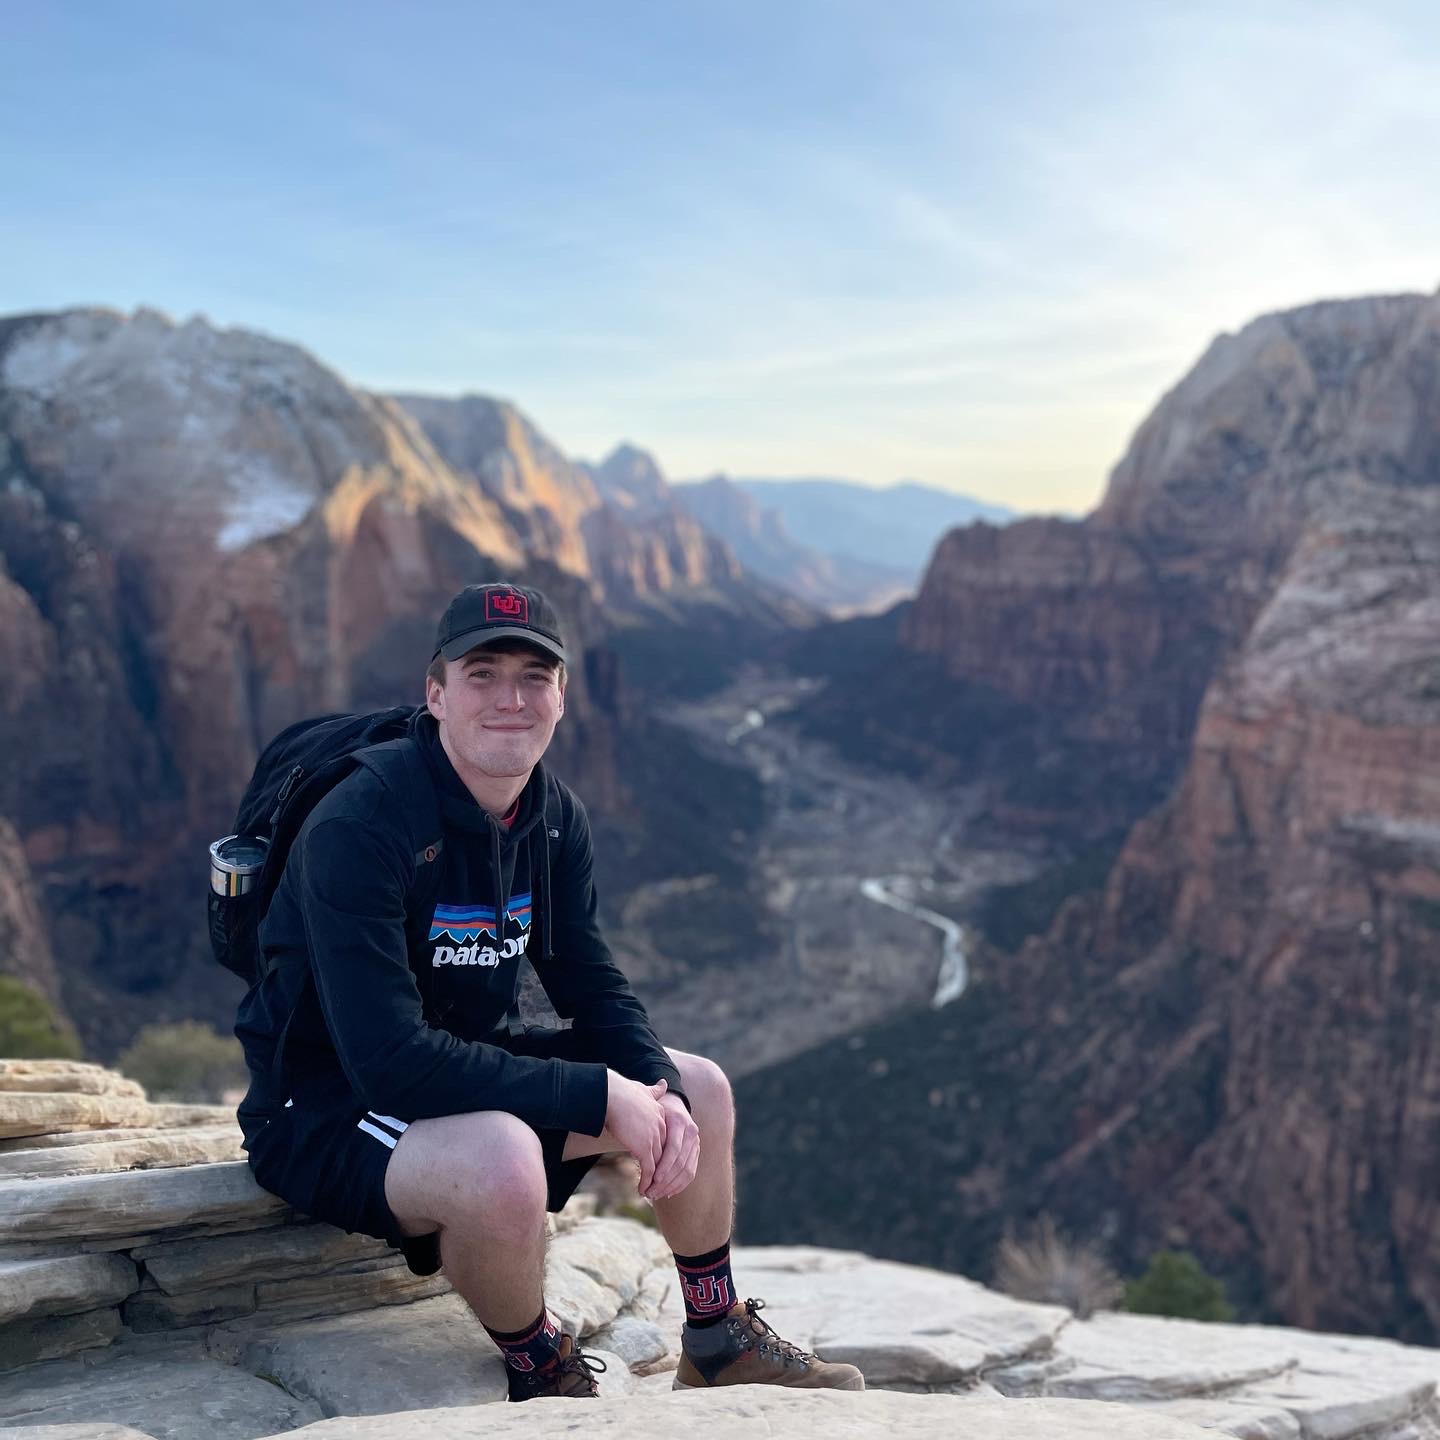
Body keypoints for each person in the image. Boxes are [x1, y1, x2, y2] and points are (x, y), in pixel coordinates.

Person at [235, 581, 864, 1401]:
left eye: (535, 676)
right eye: (482, 673)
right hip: (328, 1108)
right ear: (435, 694)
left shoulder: (551, 816)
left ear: (563, 696)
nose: (511, 698)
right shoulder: (363, 824)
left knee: (700, 1087)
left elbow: (592, 984)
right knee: (503, 1159)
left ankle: (716, 1336)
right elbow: (389, 1062)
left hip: (456, 1077)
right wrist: (601, 1095)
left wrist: (657, 1095)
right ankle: (542, 1371)